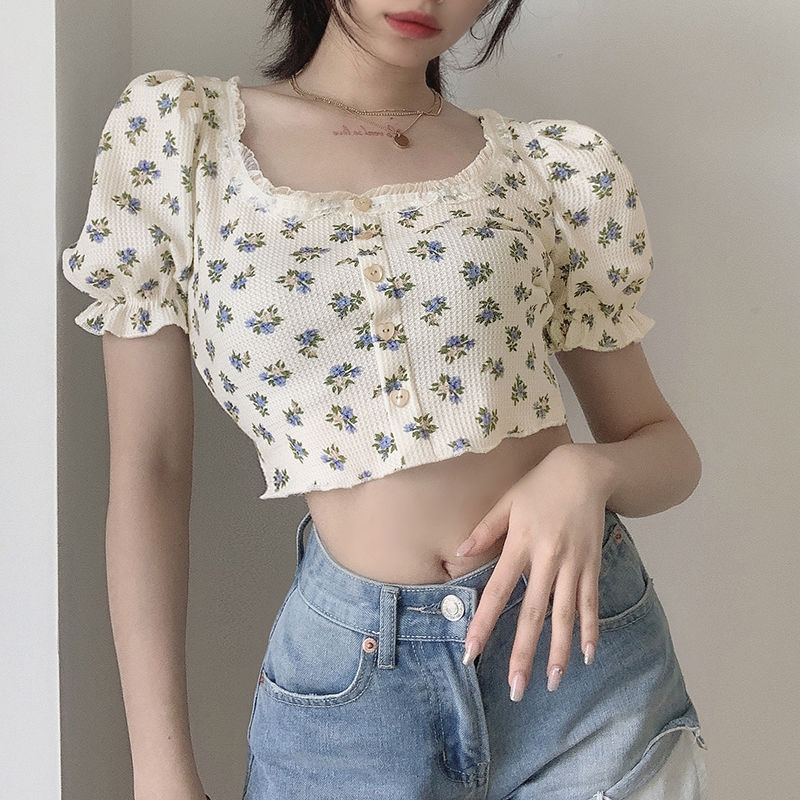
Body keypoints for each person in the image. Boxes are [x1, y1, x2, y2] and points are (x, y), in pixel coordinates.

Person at [60, 1, 710, 798]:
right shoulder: (178, 141)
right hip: (351, 705)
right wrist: (159, 770)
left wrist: (585, 472)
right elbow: (149, 472)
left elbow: (666, 450)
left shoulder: (548, 169)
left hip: (584, 667)